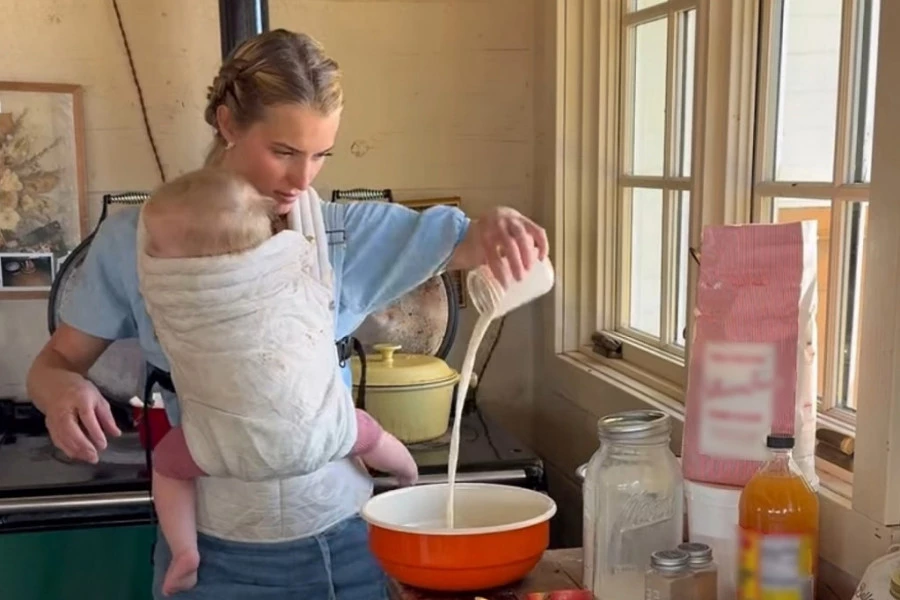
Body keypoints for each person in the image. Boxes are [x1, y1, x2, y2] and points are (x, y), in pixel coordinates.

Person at [27, 28, 547, 599]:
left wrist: (499, 225)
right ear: (228, 123)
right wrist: (61, 390)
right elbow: (54, 365)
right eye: (284, 152)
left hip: (345, 544)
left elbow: (476, 242)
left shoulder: (345, 235)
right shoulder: (140, 241)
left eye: (321, 155)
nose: (304, 179)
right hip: (210, 558)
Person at [138, 167, 418, 596]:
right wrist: (401, 472)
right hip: (319, 434)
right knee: (368, 433)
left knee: (168, 466)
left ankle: (185, 551)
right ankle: (409, 473)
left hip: (222, 445)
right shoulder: (292, 272)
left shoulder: (173, 293)